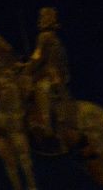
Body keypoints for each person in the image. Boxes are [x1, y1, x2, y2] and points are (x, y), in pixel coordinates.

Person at [27, 7, 72, 142]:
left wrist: (26, 67)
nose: (41, 20)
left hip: (49, 76)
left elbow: (37, 56)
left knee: (39, 90)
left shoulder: (44, 36)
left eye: (43, 18)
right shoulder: (56, 39)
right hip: (60, 76)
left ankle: (46, 126)